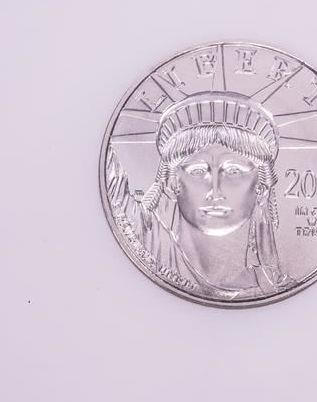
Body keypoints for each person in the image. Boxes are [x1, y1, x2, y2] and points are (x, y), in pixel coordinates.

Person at [105, 92, 291, 300]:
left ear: (261, 188)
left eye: (233, 171)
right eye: (197, 171)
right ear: (172, 184)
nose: (215, 191)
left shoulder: (277, 288)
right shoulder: (151, 246)